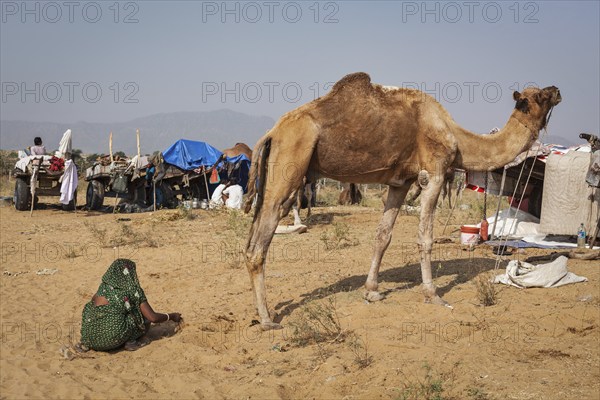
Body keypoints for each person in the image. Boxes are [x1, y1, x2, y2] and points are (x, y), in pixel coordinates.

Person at [78, 259, 181, 352]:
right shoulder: (133, 291)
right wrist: (171, 316)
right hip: (112, 340)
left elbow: (94, 306)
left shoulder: (103, 288)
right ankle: (131, 342)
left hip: (90, 340)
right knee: (140, 316)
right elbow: (152, 317)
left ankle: (84, 345)